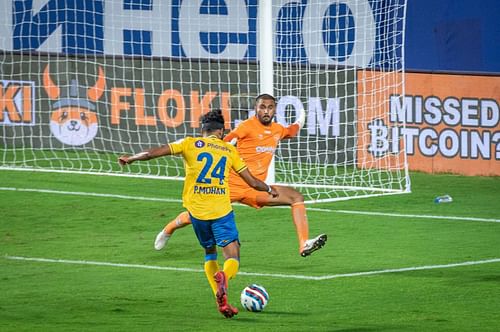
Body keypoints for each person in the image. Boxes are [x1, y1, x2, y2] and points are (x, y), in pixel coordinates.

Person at [118, 110, 278, 319]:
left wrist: (130, 159)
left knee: (209, 252)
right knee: (233, 255)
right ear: (221, 131)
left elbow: (152, 153)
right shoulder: (229, 150)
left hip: (197, 213)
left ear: (202, 130)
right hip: (221, 210)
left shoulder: (189, 143)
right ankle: (225, 276)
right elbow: (252, 182)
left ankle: (220, 298)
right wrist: (268, 189)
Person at [155, 93, 327, 257]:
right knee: (199, 215)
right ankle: (169, 229)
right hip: (229, 185)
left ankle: (304, 243)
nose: (266, 111)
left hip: (254, 188)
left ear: (275, 110)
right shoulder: (246, 127)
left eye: (270, 107)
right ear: (256, 109)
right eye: (262, 107)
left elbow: (292, 131)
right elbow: (223, 142)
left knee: (295, 197)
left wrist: (302, 117)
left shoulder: (277, 130)